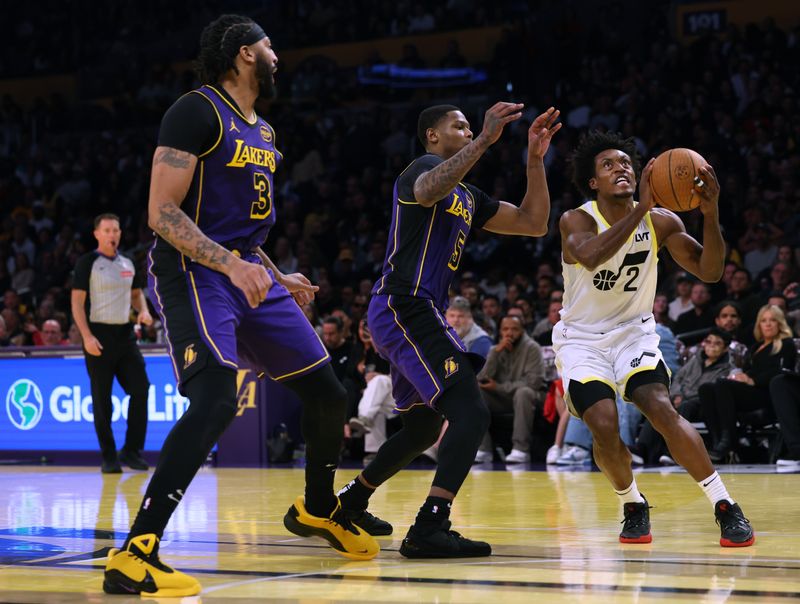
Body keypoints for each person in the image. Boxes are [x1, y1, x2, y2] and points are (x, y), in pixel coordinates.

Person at [102, 15, 377, 598]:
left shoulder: (267, 134)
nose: (278, 56)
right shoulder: (195, 110)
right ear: (244, 54)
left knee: (328, 393)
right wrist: (232, 265)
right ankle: (136, 551)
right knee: (215, 399)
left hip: (248, 270)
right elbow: (161, 212)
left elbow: (244, 232)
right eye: (270, 46)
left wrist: (276, 274)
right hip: (195, 272)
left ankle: (317, 508)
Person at [336, 103, 561, 557]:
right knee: (471, 412)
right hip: (405, 305)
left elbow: (534, 224)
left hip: (419, 313)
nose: (469, 128)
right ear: (433, 136)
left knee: (422, 429)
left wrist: (534, 161)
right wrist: (484, 140)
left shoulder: (469, 195)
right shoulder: (422, 168)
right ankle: (429, 527)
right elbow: (426, 190)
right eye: (458, 124)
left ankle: (351, 503)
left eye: (470, 125)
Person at [553, 130, 754, 547]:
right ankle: (631, 502)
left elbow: (710, 271)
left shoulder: (662, 222)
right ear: (593, 182)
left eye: (626, 162)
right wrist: (641, 206)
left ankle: (724, 504)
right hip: (582, 339)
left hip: (633, 332)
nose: (621, 168)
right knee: (604, 425)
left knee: (659, 406)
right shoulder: (578, 218)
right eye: (608, 165)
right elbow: (589, 255)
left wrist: (711, 212)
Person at [71, 213, 153, 475]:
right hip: (98, 336)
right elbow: (76, 304)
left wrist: (144, 310)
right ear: (97, 234)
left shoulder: (127, 262)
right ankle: (109, 457)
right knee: (102, 400)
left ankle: (131, 450)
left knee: (141, 389)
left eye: (116, 230)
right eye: (107, 230)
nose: (112, 235)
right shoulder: (88, 263)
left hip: (125, 336)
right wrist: (86, 336)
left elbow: (137, 294)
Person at [699, 304, 797, 462]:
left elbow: (781, 372)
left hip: (770, 393)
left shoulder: (786, 344)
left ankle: (729, 441)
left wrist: (752, 380)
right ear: (759, 324)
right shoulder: (756, 347)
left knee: (723, 386)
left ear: (780, 322)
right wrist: (741, 376)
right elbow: (750, 370)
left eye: (772, 320)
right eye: (764, 320)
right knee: (707, 389)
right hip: (751, 391)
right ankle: (717, 441)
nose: (768, 324)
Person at [637, 328, 734, 465]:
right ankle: (642, 449)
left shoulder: (727, 368)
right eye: (709, 341)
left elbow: (711, 392)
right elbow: (678, 378)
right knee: (658, 405)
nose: (711, 345)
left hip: (701, 404)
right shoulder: (696, 360)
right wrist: (676, 394)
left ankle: (672, 452)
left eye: (717, 343)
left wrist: (683, 398)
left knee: (686, 406)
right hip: (681, 398)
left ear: (725, 349)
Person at [474, 315, 545, 463]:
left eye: (514, 329)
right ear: (500, 331)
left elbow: (533, 382)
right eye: (505, 329)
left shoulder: (532, 348)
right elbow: (482, 378)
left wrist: (499, 387)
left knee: (523, 393)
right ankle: (483, 449)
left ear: (522, 330)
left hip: (531, 397)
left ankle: (521, 449)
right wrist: (495, 353)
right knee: (475, 392)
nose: (509, 333)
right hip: (504, 398)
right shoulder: (495, 349)